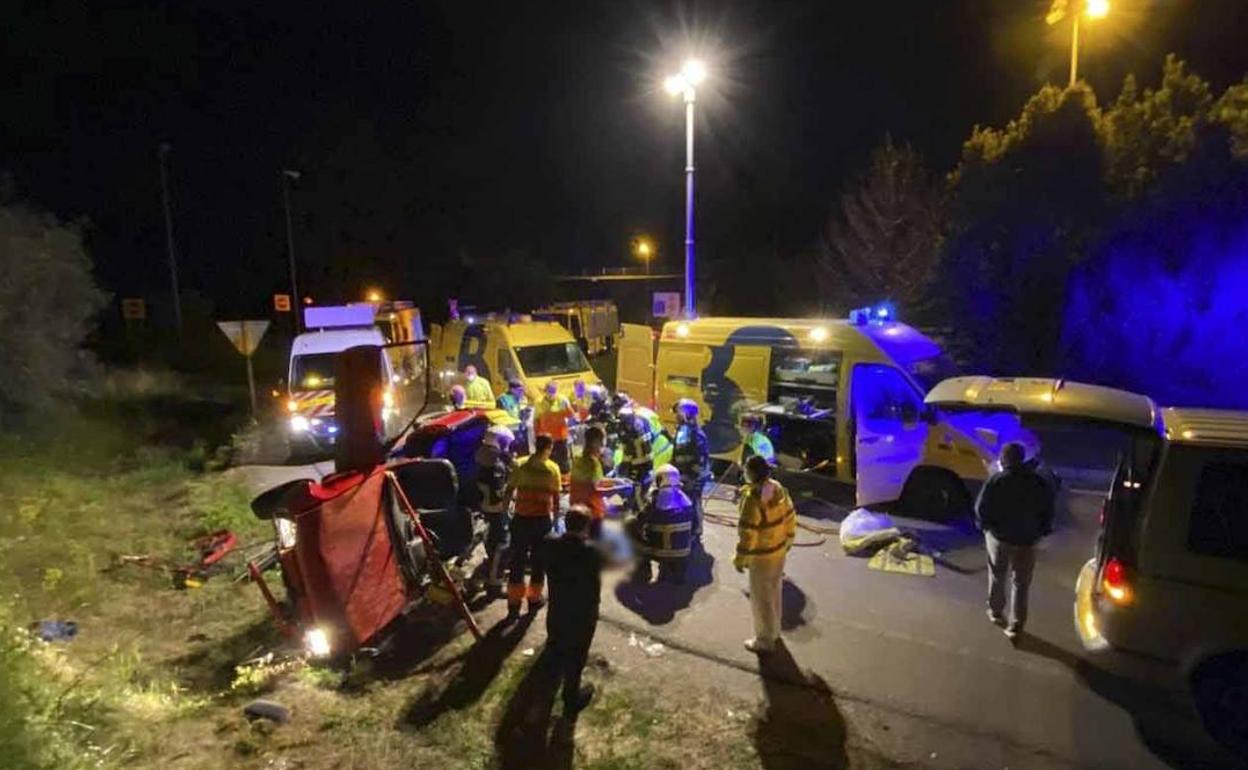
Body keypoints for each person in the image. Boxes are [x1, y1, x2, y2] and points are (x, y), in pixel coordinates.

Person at [975, 441, 1056, 641]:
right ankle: (1016, 624)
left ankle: (995, 611)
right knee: (1021, 583)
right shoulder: (1038, 483)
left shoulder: (996, 481)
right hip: (1027, 541)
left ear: (1004, 460)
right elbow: (1048, 510)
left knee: (997, 575)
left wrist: (986, 526)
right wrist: (1042, 531)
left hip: (1000, 538)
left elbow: (981, 509)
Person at [543, 505, 607, 715]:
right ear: (587, 526)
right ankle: (571, 697)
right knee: (577, 654)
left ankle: (549, 681)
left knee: (555, 644)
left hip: (557, 606)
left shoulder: (550, 543)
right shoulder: (594, 551)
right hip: (583, 611)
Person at [734, 454, 797, 653]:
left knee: (761, 599)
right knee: (774, 593)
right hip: (778, 552)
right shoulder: (777, 488)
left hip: (761, 556)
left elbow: (747, 532)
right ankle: (774, 632)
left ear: (751, 473)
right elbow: (790, 517)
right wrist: (788, 541)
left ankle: (764, 640)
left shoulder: (752, 498)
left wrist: (740, 558)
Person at [504, 435, 562, 618]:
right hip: (541, 521)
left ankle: (513, 603)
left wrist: (506, 512)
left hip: (521, 519)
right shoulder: (553, 469)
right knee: (538, 562)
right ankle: (534, 599)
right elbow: (556, 498)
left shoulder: (520, 464)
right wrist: (555, 520)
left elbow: (509, 490)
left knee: (517, 562)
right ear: (549, 448)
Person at [629, 464, 695, 584]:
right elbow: (694, 527)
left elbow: (640, 520)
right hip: (684, 551)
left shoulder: (656, 499)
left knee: (632, 534)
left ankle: (644, 573)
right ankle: (677, 573)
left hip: (661, 550)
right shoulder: (686, 499)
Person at [475, 425, 515, 597]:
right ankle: (495, 585)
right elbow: (499, 492)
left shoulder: (481, 455)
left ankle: (491, 573)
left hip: (484, 507)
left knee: (492, 543)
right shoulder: (495, 464)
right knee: (502, 545)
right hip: (496, 509)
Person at [671, 398, 710, 539]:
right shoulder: (682, 431)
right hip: (682, 474)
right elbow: (677, 453)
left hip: (694, 477)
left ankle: (696, 530)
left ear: (686, 414)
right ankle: (686, 528)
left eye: (679, 414)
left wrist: (691, 477)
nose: (676, 417)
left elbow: (700, 460)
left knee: (694, 501)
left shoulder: (696, 435)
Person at [569, 426, 609, 538]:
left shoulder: (577, 460)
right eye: (603, 441)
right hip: (592, 515)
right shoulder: (593, 463)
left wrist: (615, 481)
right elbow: (597, 488)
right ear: (597, 442)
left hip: (576, 512)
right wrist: (618, 489)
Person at [534, 381, 576, 475]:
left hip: (561, 437)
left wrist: (559, 415)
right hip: (546, 437)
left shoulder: (562, 400)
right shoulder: (539, 402)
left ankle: (564, 480)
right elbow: (536, 420)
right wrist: (537, 435)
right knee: (547, 462)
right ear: (545, 391)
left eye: (554, 390)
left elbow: (571, 414)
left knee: (563, 462)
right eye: (550, 390)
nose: (552, 393)